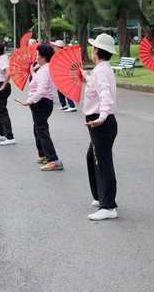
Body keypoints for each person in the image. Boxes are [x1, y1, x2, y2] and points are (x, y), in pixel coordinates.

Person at [83, 33, 119, 221]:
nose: (91, 50)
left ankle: (108, 206)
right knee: (93, 158)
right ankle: (101, 196)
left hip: (101, 122)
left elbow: (106, 95)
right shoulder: (101, 69)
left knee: (102, 162)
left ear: (96, 50)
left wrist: (102, 117)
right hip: (99, 122)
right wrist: (86, 77)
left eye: (93, 47)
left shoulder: (101, 71)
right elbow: (98, 87)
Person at [17, 43, 63, 171]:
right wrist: (33, 72)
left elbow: (42, 88)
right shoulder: (44, 69)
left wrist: (29, 101)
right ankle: (43, 154)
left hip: (41, 103)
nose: (36, 57)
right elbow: (41, 82)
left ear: (43, 57)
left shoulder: (44, 71)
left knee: (42, 131)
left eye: (37, 55)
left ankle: (53, 160)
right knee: (38, 129)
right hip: (43, 102)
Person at [0, 41, 15, 146]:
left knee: (1, 111)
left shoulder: (2, 60)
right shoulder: (0, 60)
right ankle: (3, 133)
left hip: (1, 87)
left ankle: (9, 136)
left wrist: (3, 86)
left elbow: (9, 72)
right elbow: (0, 72)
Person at [51, 40, 77, 112]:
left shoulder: (64, 55)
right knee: (60, 90)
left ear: (59, 48)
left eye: (55, 46)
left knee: (65, 90)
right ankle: (63, 105)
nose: (54, 48)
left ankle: (72, 105)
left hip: (65, 75)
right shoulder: (59, 54)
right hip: (61, 75)